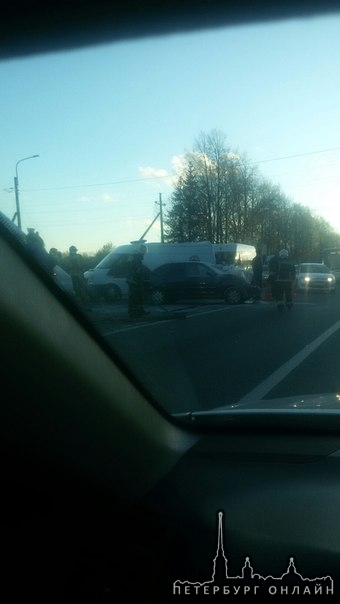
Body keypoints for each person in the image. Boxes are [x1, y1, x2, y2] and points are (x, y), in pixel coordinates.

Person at [126, 248, 150, 318]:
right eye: (143, 252)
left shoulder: (135, 258)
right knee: (135, 297)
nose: (144, 254)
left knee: (138, 297)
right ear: (140, 252)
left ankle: (139, 311)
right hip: (134, 281)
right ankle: (133, 313)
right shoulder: (136, 259)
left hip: (134, 281)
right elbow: (136, 271)